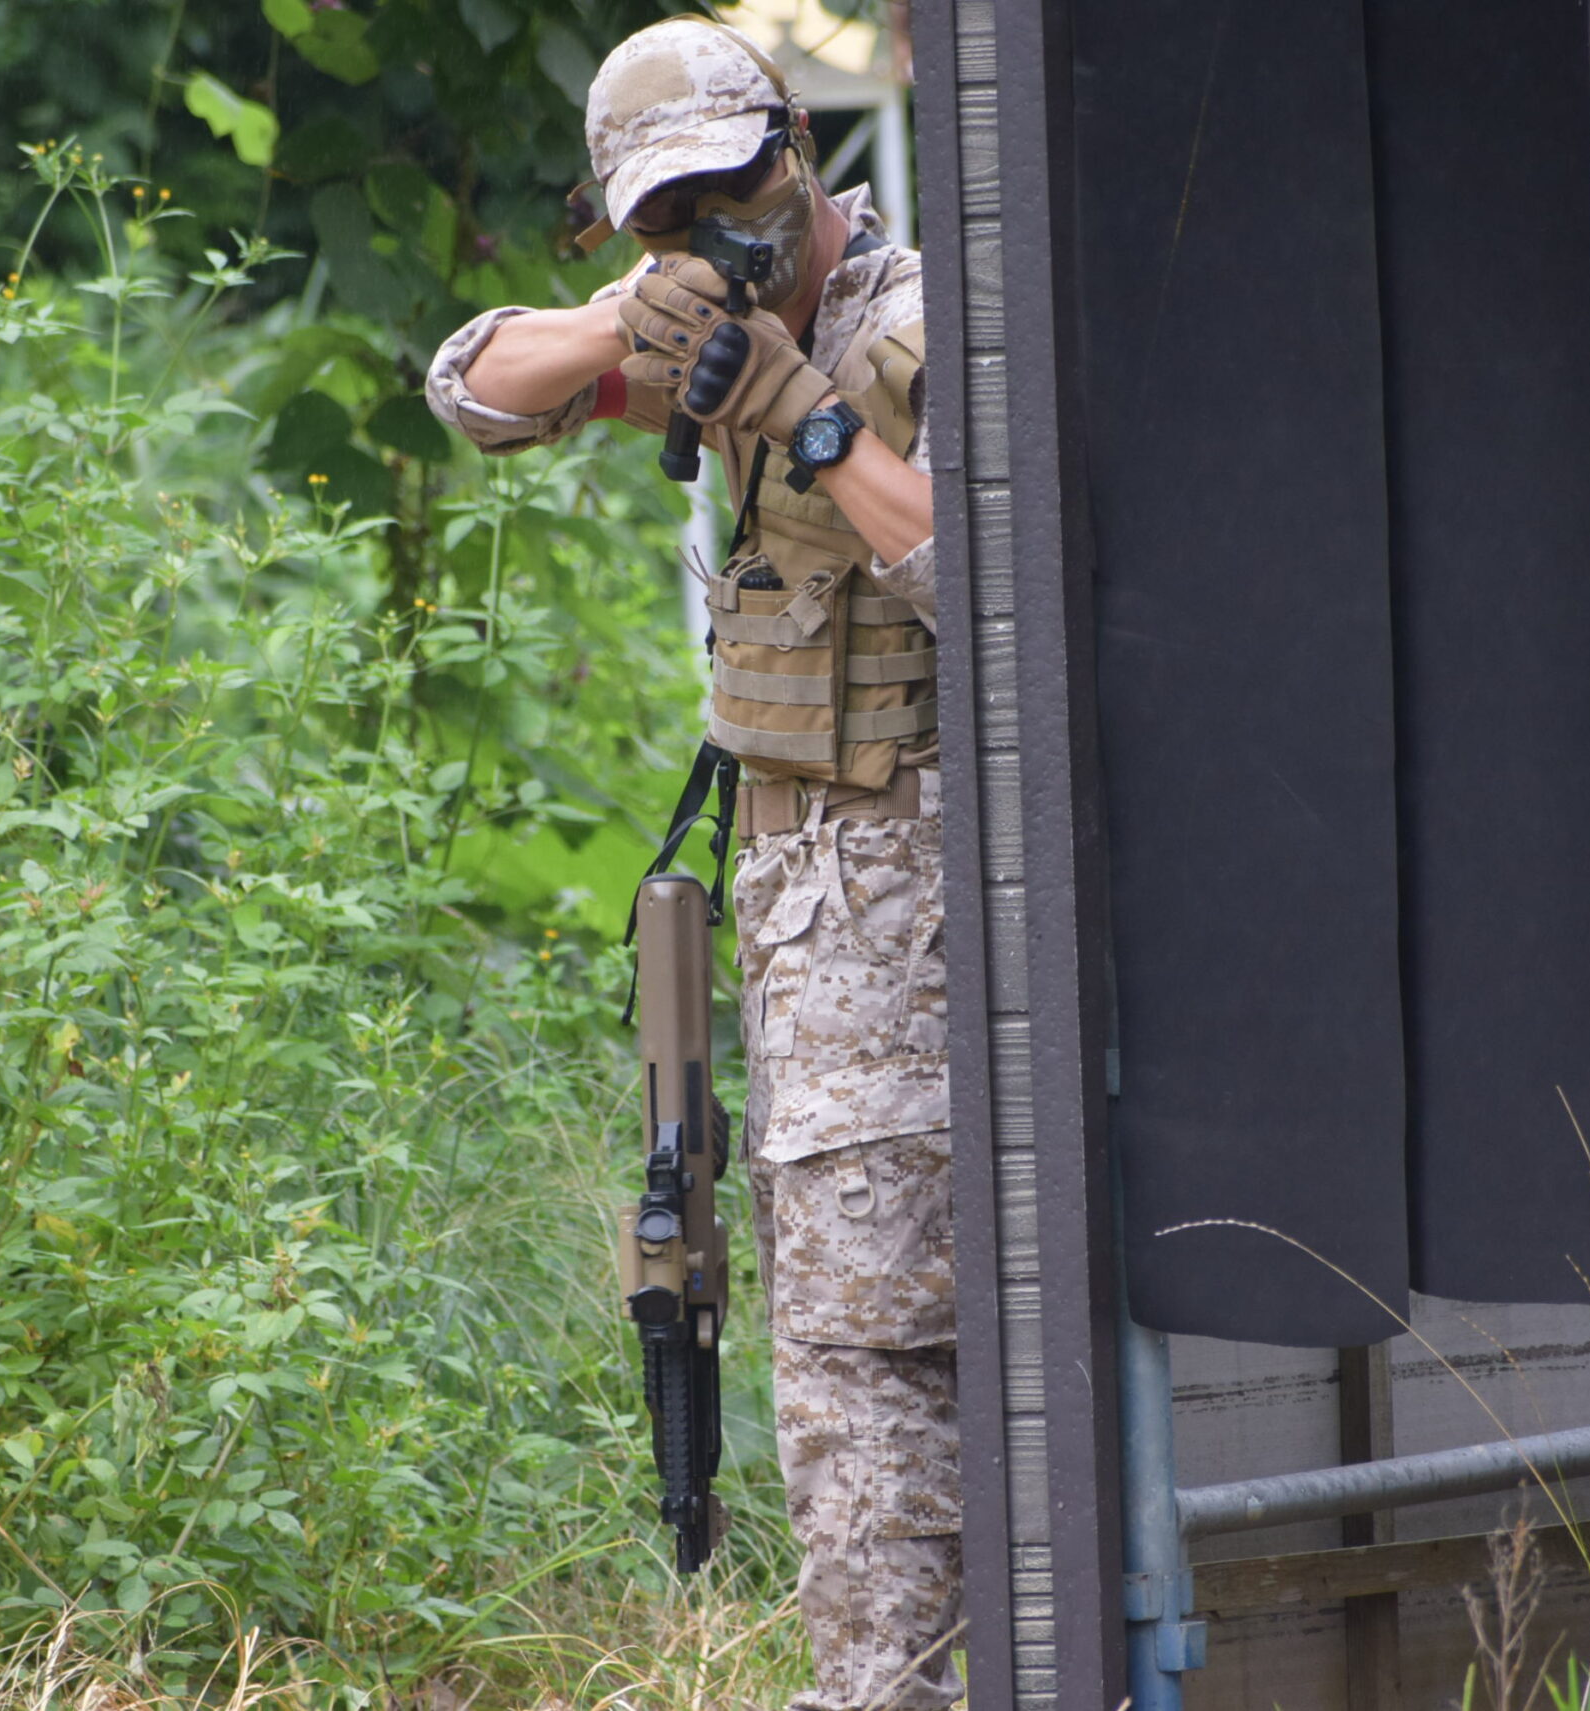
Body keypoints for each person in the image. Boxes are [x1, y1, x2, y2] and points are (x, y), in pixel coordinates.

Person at [424, 17, 958, 1710]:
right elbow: (469, 388)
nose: (718, 229)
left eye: (732, 189)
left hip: (925, 914)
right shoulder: (691, 317)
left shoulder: (926, 317)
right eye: (666, 214)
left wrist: (809, 417)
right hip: (804, 927)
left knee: (877, 1361)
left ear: (795, 148)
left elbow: (991, 583)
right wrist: (637, 321)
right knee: (834, 1353)